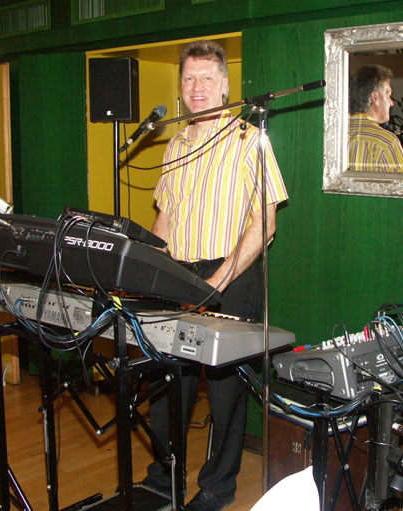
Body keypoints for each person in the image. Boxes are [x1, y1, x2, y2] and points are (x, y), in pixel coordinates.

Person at [144, 40, 288, 511]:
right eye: (189, 78)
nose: (198, 87)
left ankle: (217, 488)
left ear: (226, 85)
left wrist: (217, 283)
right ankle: (163, 475)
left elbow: (265, 223)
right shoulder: (175, 144)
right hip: (178, 275)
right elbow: (165, 218)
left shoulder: (250, 140)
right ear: (180, 86)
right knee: (168, 382)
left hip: (232, 277)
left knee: (226, 394)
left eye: (207, 78)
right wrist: (149, 271)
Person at [348, 65, 403, 172]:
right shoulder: (386, 142)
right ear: (375, 97)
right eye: (388, 94)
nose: (391, 103)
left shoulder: (331, 135)